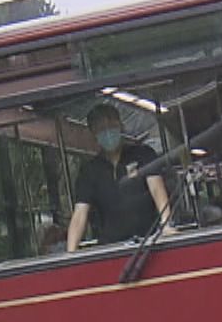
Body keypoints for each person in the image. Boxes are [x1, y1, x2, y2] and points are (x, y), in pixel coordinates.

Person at [67, 103, 173, 251]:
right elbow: (80, 213)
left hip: (150, 243)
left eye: (111, 125)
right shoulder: (89, 171)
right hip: (111, 250)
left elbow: (157, 188)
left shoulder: (143, 154)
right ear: (93, 134)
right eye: (101, 129)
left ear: (121, 126)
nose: (108, 132)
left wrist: (166, 224)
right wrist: (70, 253)